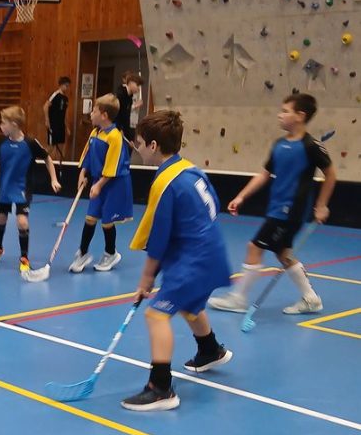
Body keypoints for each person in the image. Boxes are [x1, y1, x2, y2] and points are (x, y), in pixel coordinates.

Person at [123, 108, 233, 411]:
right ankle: (210, 350)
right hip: (212, 254)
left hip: (194, 262)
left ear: (153, 145)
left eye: (139, 143)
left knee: (156, 315)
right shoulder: (190, 169)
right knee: (189, 303)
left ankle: (160, 388)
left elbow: (157, 239)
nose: (137, 148)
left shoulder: (164, 182)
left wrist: (146, 278)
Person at [209, 92, 336, 316]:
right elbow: (265, 174)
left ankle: (239, 299)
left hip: (290, 211)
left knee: (254, 247)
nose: (280, 115)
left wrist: (322, 205)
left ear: (300, 116)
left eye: (285, 111)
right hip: (277, 208)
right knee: (283, 254)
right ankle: (311, 299)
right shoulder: (279, 144)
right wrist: (241, 196)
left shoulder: (311, 146)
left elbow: (331, 174)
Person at [0, 105, 60, 273]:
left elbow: (47, 158)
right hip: (5, 187)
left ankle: (24, 256)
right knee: (1, 218)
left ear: (14, 124)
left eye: (3, 123)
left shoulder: (30, 143)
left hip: (22, 188)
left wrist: (54, 179)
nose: (1, 126)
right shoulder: (2, 143)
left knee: (22, 221)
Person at [69, 94, 133, 273]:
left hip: (115, 183)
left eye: (94, 111)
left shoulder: (115, 136)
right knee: (90, 217)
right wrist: (83, 173)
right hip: (99, 180)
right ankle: (83, 253)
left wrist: (98, 185)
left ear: (104, 115)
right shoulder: (95, 133)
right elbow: (88, 155)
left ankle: (111, 253)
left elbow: (112, 166)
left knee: (107, 221)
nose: (91, 114)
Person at [43, 75, 70, 167]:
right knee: (51, 146)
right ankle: (42, 161)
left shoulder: (65, 99)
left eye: (68, 86)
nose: (67, 88)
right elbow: (45, 106)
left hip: (61, 125)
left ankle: (59, 166)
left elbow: (64, 114)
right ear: (61, 85)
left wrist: (67, 127)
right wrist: (47, 120)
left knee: (60, 146)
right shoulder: (55, 95)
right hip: (53, 124)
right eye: (66, 85)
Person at [114, 71, 141, 142]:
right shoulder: (120, 94)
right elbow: (117, 113)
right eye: (137, 85)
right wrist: (119, 129)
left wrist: (129, 138)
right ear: (130, 83)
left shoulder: (130, 96)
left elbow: (126, 117)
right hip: (116, 129)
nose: (138, 88)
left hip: (125, 128)